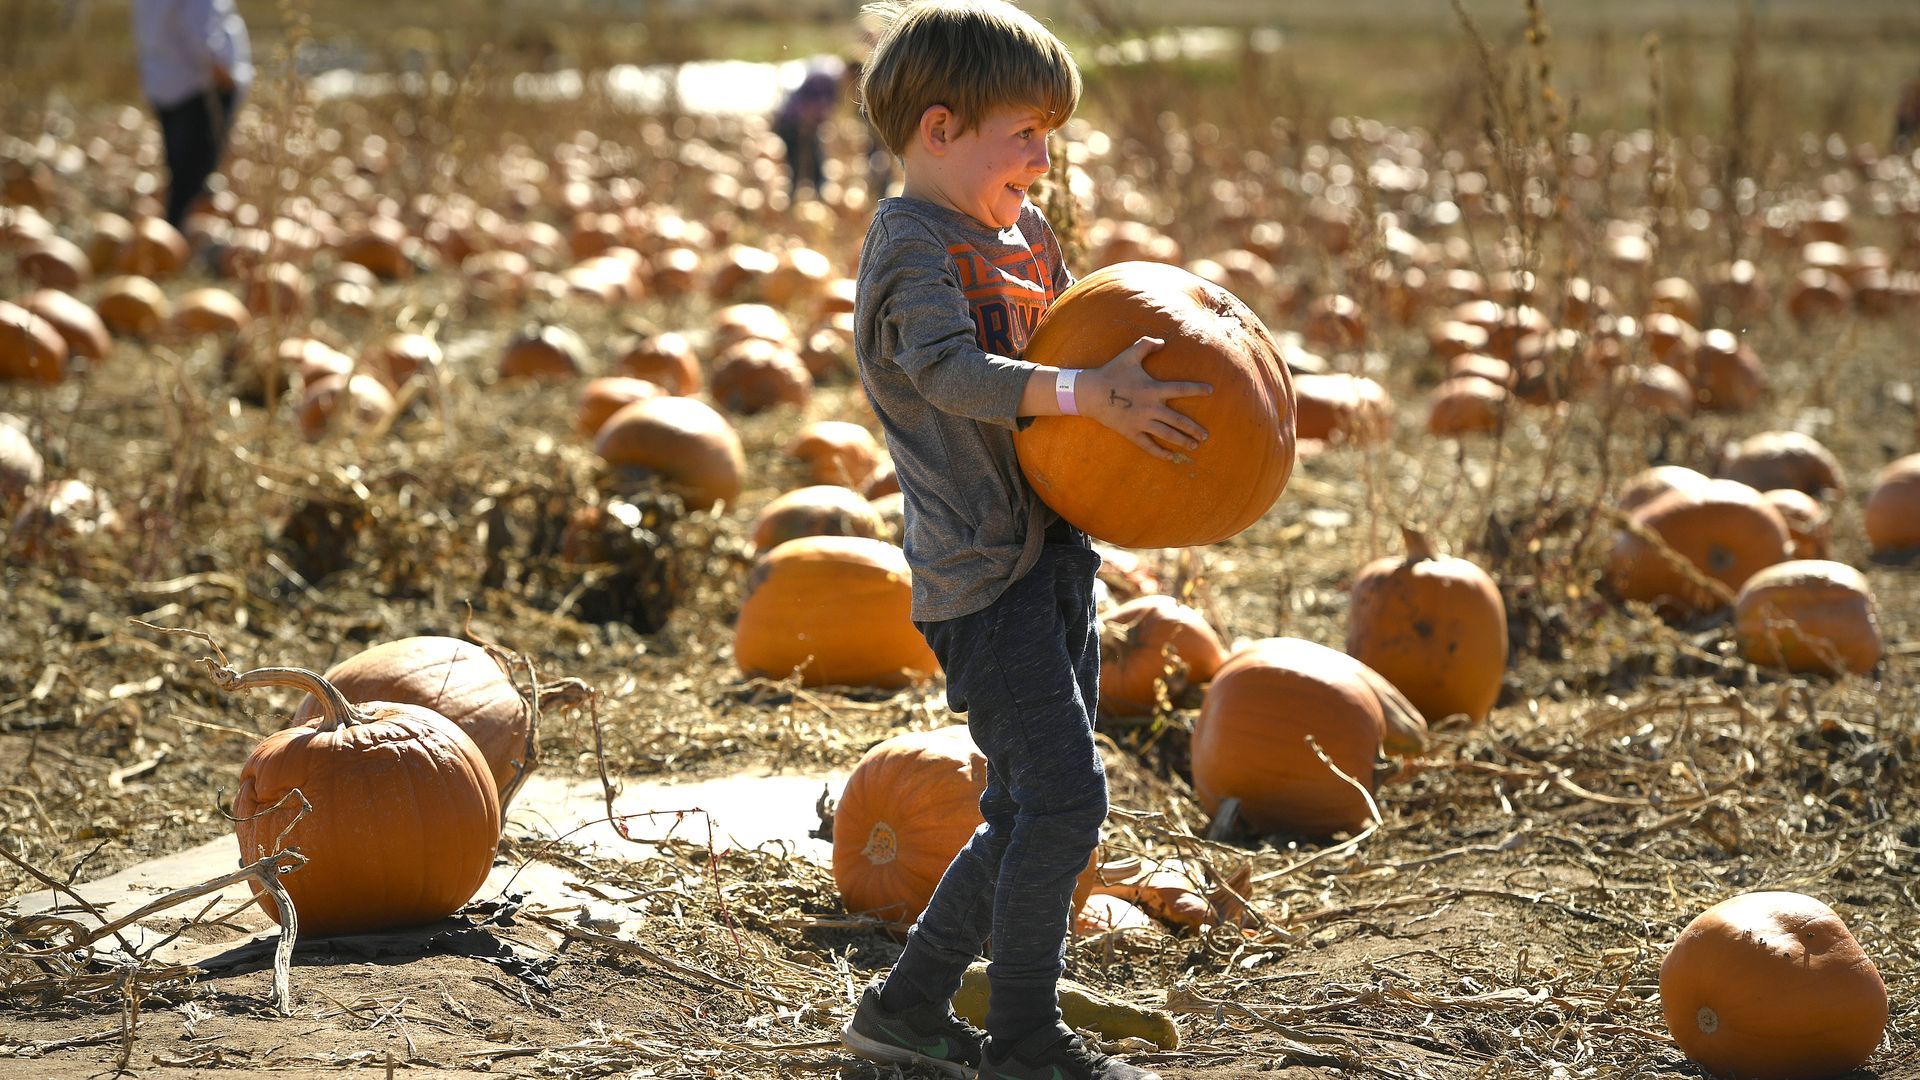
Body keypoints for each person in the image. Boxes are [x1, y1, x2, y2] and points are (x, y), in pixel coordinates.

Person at [836, 4, 1209, 1079]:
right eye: (1028, 134)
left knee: (1023, 808)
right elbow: (951, 372)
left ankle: (904, 1011)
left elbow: (1069, 387)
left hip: (1053, 560)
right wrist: (1086, 390)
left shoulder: (1026, 238)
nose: (1044, 161)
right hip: (978, 579)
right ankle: (1028, 1043)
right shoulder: (909, 245)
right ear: (942, 129)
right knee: (1063, 800)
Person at [131, 0, 252, 229]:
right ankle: (184, 234)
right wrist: (226, 78)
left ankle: (179, 230)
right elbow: (203, 39)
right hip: (198, 88)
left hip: (164, 83)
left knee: (179, 169)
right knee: (194, 174)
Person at [771, 55, 845, 198]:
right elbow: (810, 106)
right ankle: (796, 198)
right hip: (794, 125)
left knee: (813, 161)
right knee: (797, 162)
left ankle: (812, 195)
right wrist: (807, 123)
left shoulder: (832, 77)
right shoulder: (827, 79)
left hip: (804, 124)